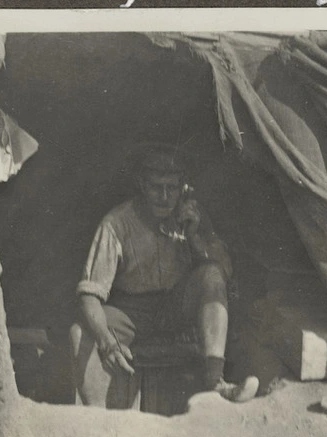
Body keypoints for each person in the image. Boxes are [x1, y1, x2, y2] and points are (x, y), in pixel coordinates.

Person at [71, 143, 259, 406]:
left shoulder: (190, 215)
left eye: (172, 188)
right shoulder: (116, 223)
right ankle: (98, 419)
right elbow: (89, 296)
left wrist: (196, 238)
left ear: (182, 188)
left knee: (211, 274)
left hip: (173, 309)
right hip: (128, 313)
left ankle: (217, 382)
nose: (164, 196)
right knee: (81, 332)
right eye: (155, 187)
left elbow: (223, 274)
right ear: (141, 184)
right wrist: (108, 343)